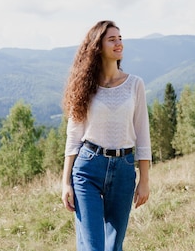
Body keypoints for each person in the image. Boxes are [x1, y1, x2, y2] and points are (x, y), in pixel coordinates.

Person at [61, 20, 151, 251]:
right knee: (93, 247)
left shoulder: (135, 84)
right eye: (112, 39)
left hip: (124, 169)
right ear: (98, 46)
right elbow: (73, 136)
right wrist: (66, 182)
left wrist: (145, 180)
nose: (118, 43)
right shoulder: (84, 86)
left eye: (120, 38)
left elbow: (142, 134)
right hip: (88, 167)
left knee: (113, 247)